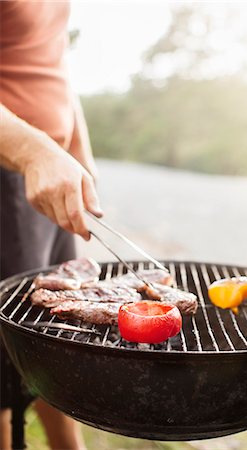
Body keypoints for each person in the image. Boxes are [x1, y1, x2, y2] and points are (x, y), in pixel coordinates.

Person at [0, 2, 102, 449]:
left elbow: (50, 56)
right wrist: (36, 151)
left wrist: (78, 152)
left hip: (50, 172)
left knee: (55, 337)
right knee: (4, 353)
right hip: (9, 172)